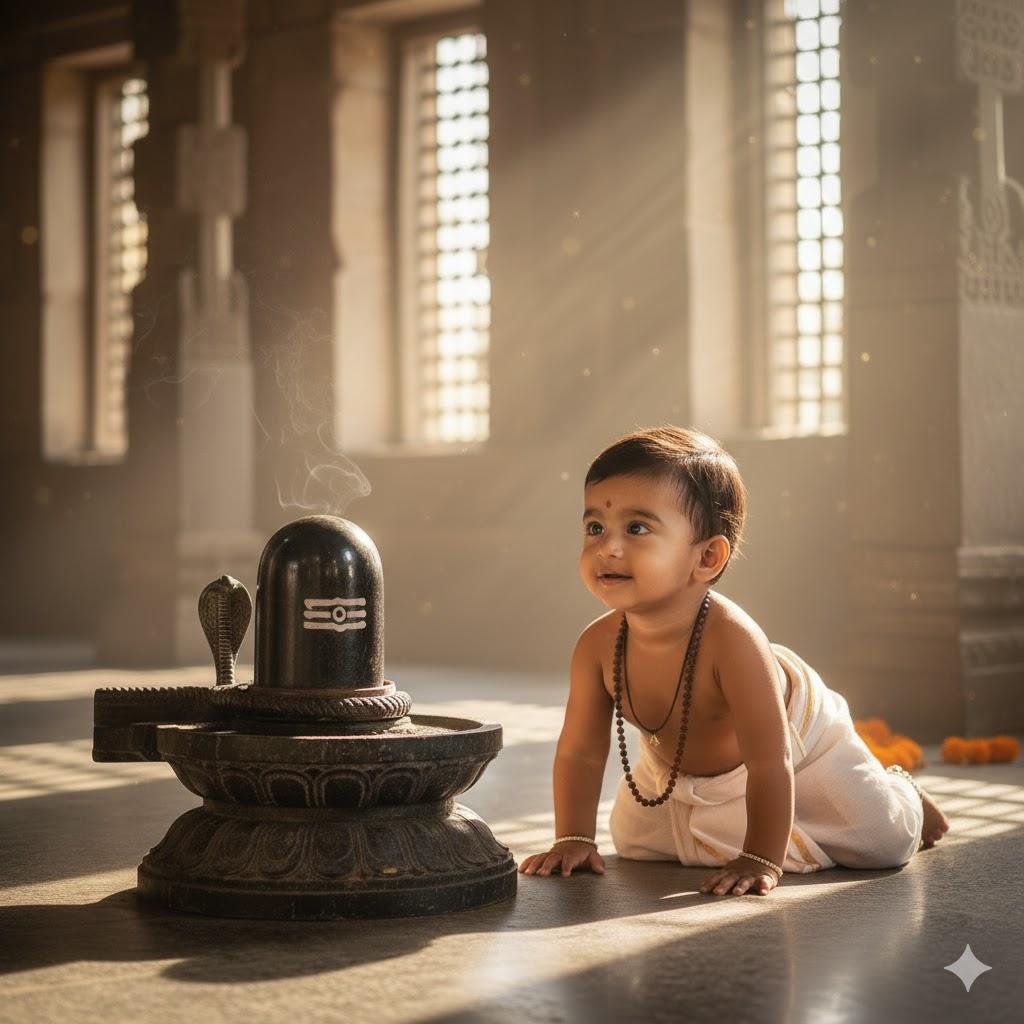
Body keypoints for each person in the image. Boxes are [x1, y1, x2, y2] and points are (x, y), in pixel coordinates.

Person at [519, 425, 949, 896]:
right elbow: (580, 751)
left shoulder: (735, 642)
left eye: (636, 528)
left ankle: (904, 795)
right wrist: (574, 838)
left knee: (879, 841)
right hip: (678, 768)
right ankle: (747, 822)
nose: (608, 547)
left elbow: (770, 761)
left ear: (707, 558)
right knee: (637, 841)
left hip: (798, 744)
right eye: (595, 528)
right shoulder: (596, 647)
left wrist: (760, 858)